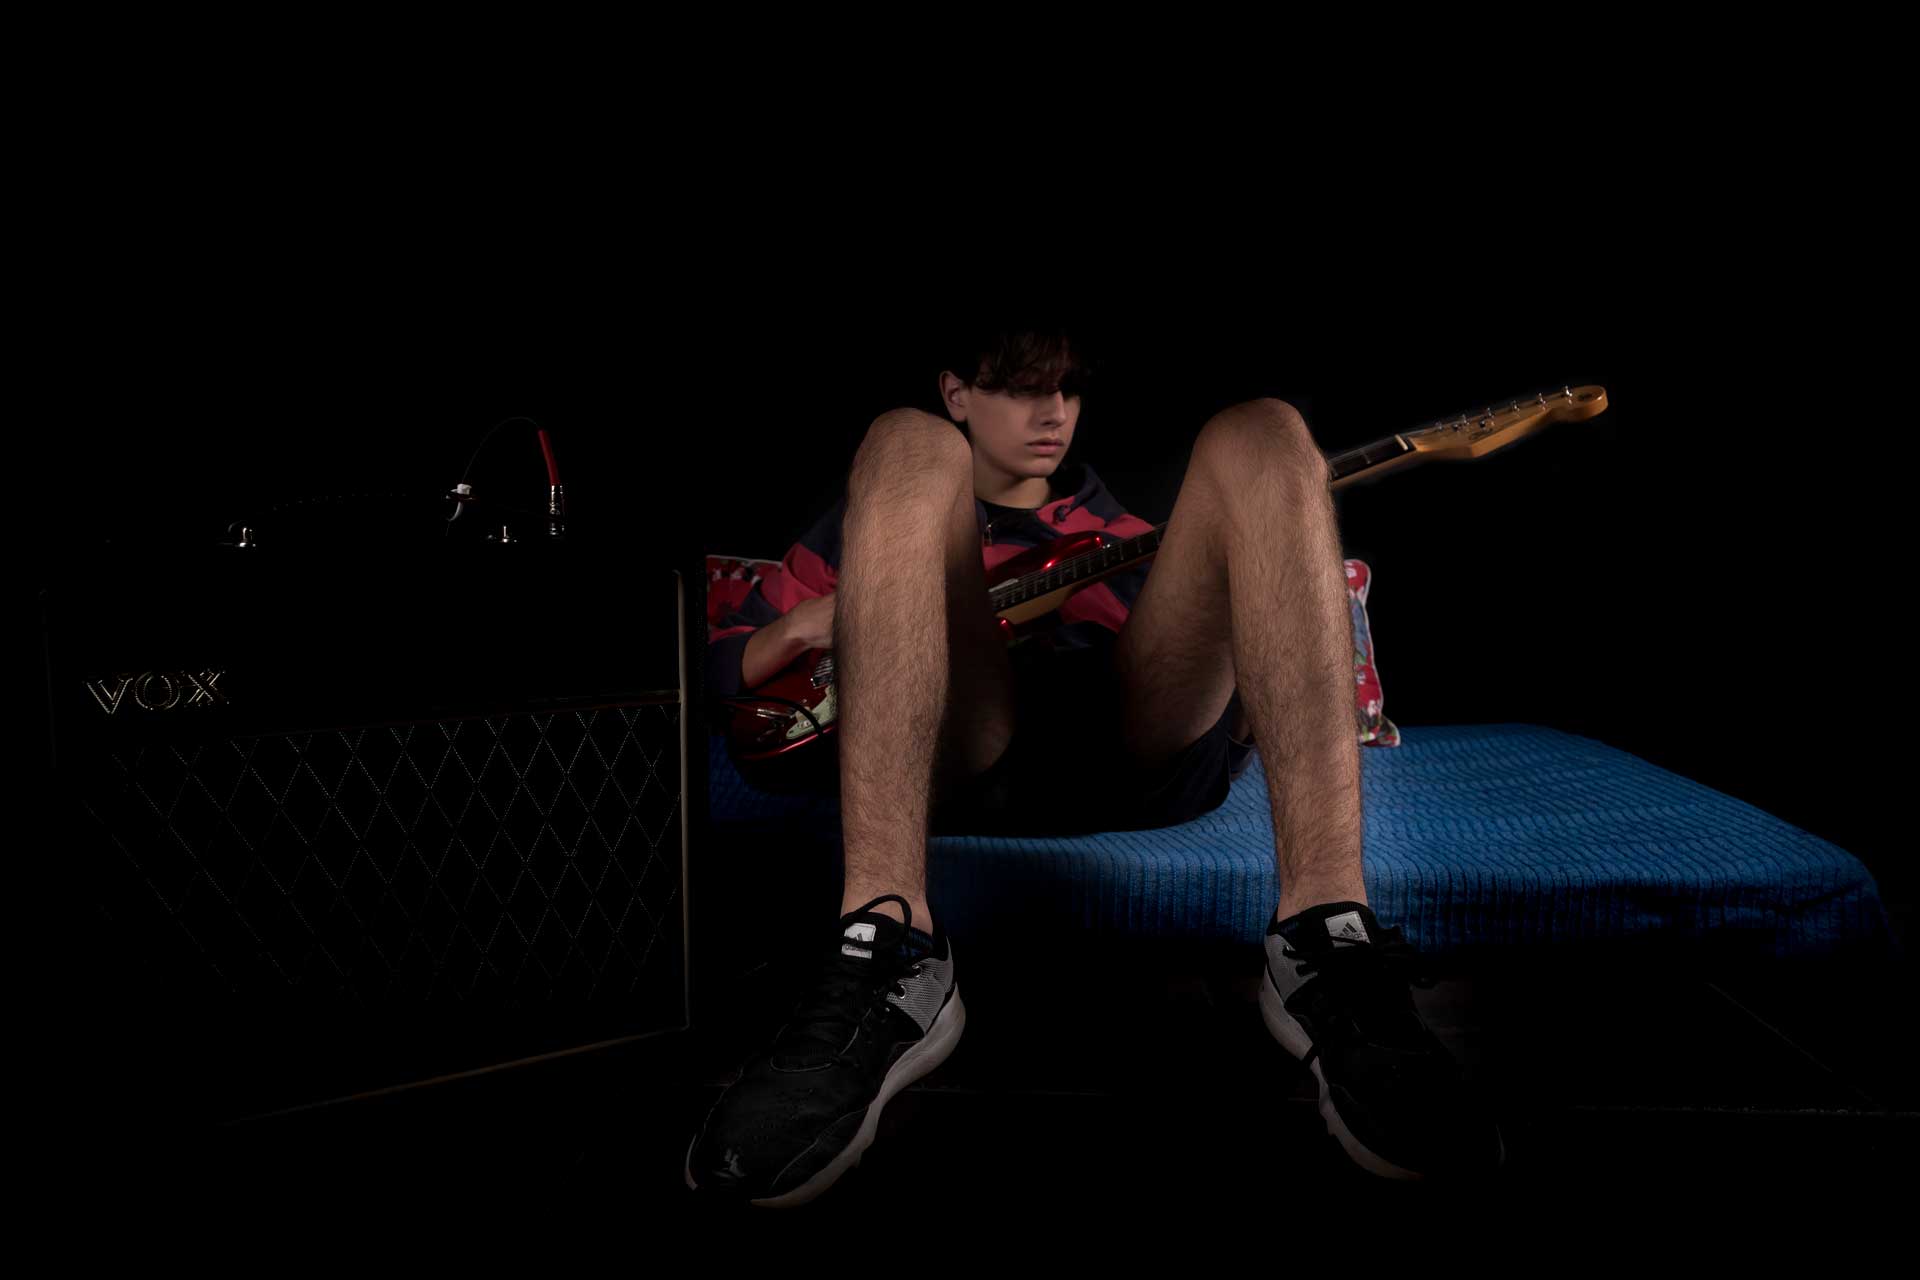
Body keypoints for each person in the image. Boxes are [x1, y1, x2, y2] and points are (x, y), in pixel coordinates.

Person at [687, 319, 1502, 1206]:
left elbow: (1215, 685)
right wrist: (806, 625)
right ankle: (886, 940)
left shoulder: (1121, 532)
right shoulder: (879, 517)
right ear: (959, 392)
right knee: (905, 441)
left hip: (1129, 742)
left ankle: (1327, 936)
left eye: (1067, 390)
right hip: (958, 748)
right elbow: (725, 672)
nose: (1053, 413)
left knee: (1263, 430)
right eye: (1021, 389)